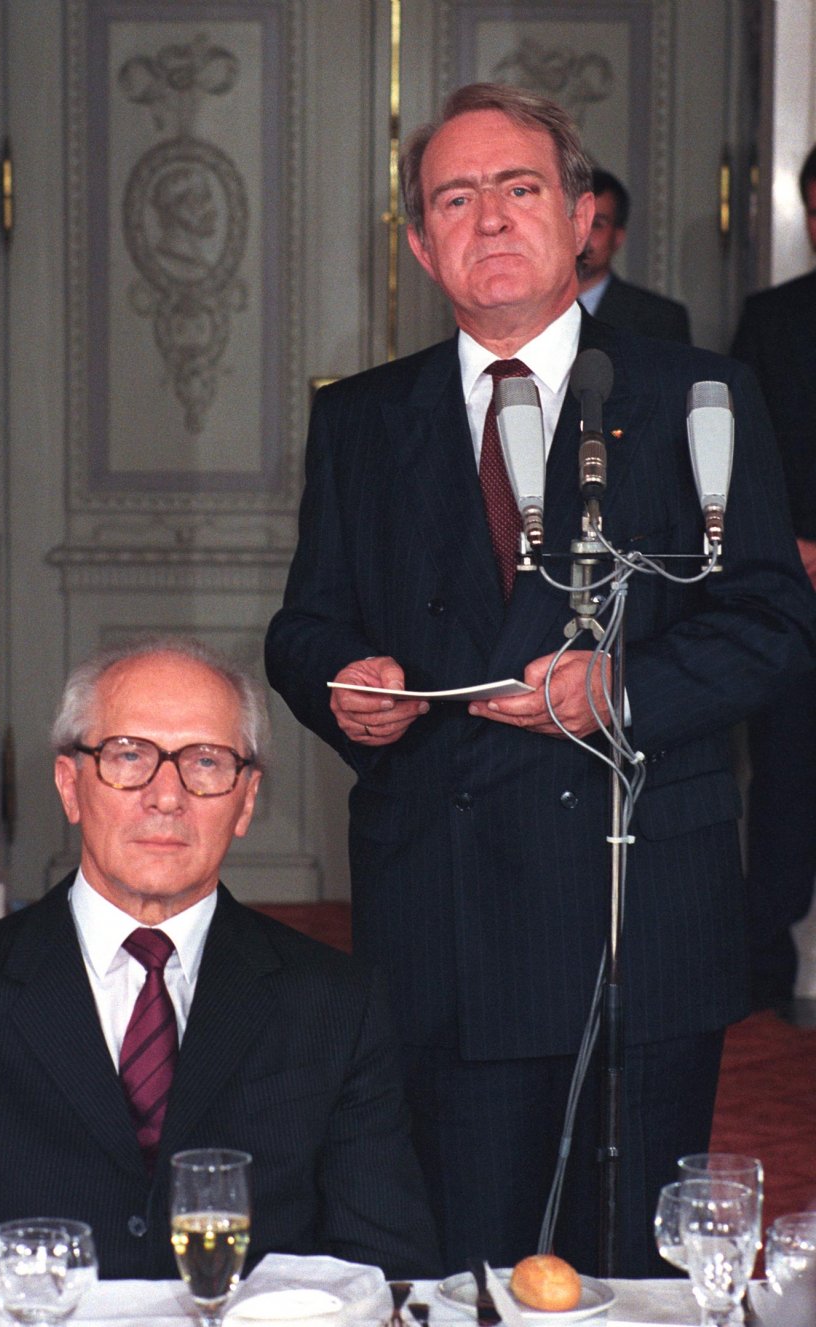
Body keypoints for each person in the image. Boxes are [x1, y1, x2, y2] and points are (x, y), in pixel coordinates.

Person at [264, 83, 816, 1277]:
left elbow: (772, 620)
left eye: (520, 189)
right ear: (419, 245)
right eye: (455, 199)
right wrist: (337, 683)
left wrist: (618, 691)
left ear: (581, 218)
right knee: (463, 1258)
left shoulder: (694, 394)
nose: (491, 219)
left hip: (636, 914)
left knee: (619, 1275)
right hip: (438, 917)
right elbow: (303, 627)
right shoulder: (362, 420)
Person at [0, 637, 440, 1281]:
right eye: (129, 757)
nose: (166, 796)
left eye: (205, 762)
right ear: (70, 786)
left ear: (246, 799)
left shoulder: (337, 1004)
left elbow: (386, 1275)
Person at [730, 143, 816, 1012]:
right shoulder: (774, 318)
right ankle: (764, 982)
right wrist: (786, 543)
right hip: (800, 596)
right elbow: (736, 454)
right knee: (785, 791)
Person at [577, 168, 691, 343]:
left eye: (597, 224)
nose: (584, 233)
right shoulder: (527, 307)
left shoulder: (660, 319)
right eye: (576, 219)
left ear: (618, 237)